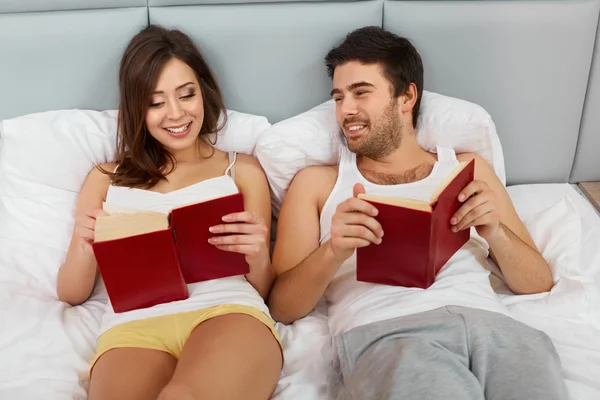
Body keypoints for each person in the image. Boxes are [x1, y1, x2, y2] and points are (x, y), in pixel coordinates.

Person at [268, 26, 567, 400]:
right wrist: (334, 251)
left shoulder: (466, 170)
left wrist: (495, 233)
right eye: (339, 97)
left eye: (361, 93)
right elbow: (282, 307)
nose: (346, 110)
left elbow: (538, 282)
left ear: (406, 96)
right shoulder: (317, 183)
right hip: (390, 334)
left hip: (496, 330)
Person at [56, 25, 282, 400]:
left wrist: (257, 253)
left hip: (226, 311)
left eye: (186, 95)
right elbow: (71, 294)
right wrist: (85, 244)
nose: (176, 114)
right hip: (132, 327)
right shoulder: (104, 179)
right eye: (156, 102)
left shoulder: (242, 171)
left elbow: (265, 290)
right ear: (136, 108)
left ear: (204, 93)